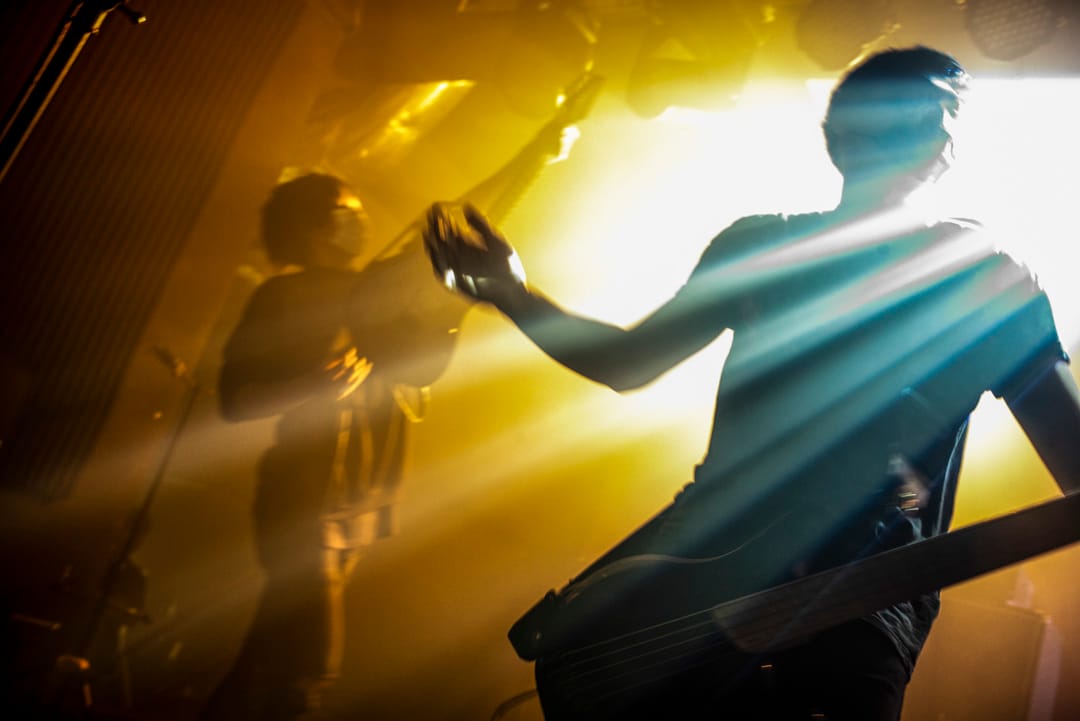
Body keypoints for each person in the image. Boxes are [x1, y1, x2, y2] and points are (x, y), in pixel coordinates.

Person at [424, 47, 1080, 720]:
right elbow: (631, 362)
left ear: (944, 147)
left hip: (857, 610)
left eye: (933, 114)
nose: (922, 127)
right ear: (837, 135)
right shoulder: (758, 245)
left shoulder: (986, 278)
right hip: (695, 579)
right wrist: (512, 293)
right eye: (901, 111)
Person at [200, 76, 596, 720]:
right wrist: (305, 386)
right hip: (304, 496)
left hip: (355, 493)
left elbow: (454, 224)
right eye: (344, 211)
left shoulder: (372, 294)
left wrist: (537, 155)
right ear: (311, 228)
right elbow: (233, 402)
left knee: (267, 657)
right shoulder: (290, 296)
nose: (358, 220)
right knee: (304, 665)